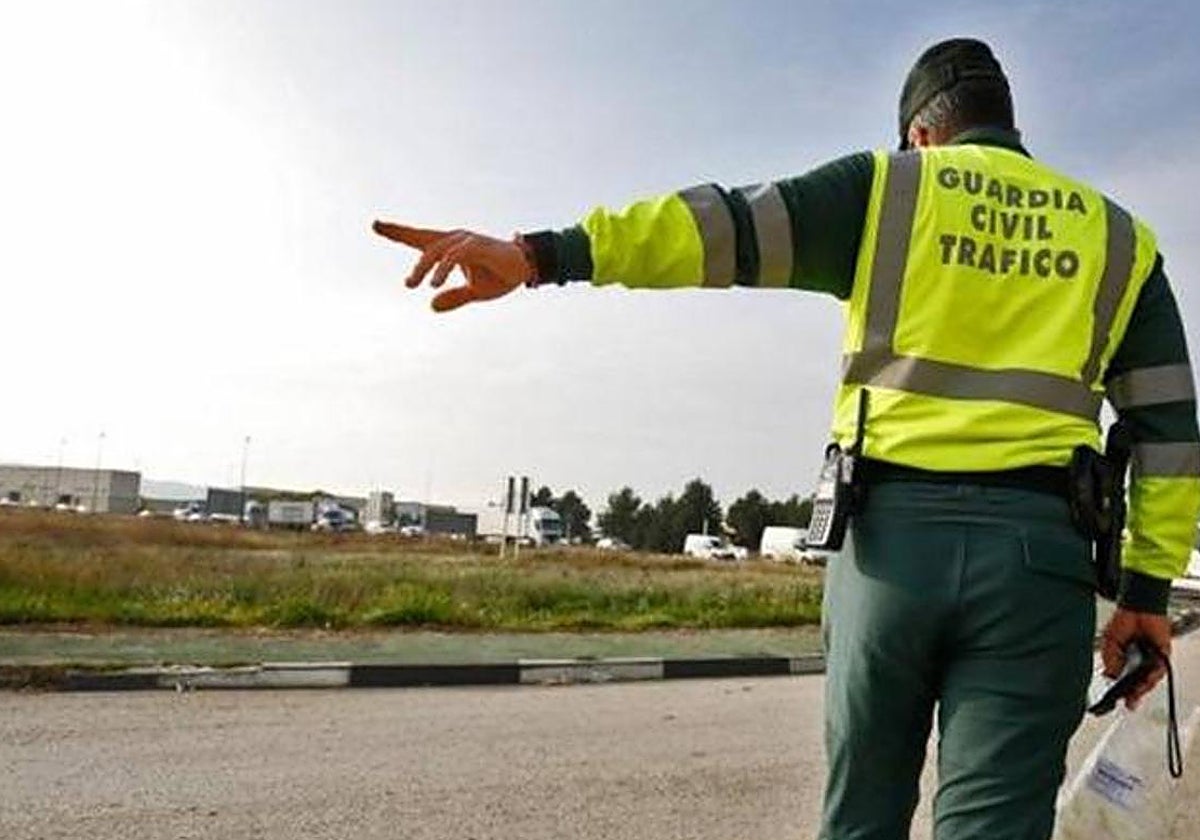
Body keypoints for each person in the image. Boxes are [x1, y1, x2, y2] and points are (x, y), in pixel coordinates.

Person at [374, 38, 1199, 840]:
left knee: (861, 817)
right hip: (1039, 566)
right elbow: (1167, 432)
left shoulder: (887, 189)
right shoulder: (1119, 240)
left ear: (920, 133)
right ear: (1009, 125)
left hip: (886, 554)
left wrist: (539, 255)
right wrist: (1147, 596)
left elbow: (714, 228)